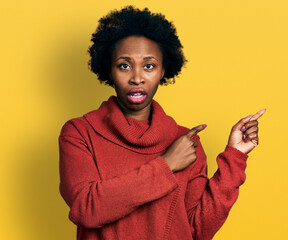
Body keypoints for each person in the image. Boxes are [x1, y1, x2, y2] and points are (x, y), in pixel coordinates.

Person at [59, 6, 266, 240]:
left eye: (149, 66)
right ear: (109, 69)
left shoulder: (186, 142)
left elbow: (198, 230)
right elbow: (86, 209)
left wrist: (235, 157)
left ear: (163, 71)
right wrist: (167, 165)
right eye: (124, 65)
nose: (137, 78)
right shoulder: (80, 133)